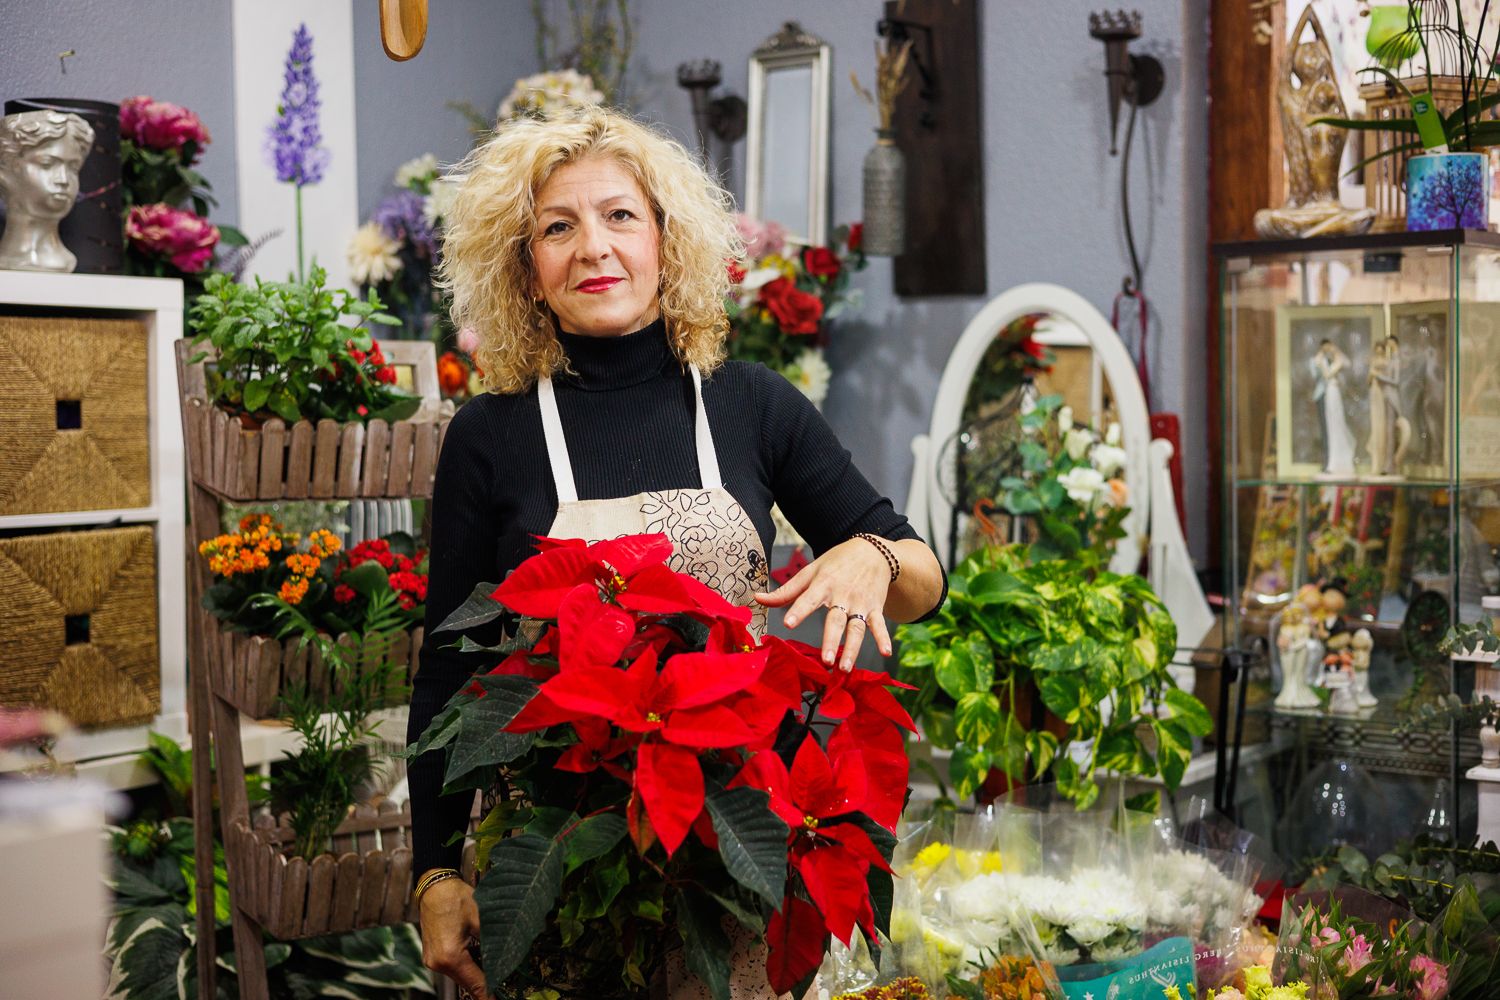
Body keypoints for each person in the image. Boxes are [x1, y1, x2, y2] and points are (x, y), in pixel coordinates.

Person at [406, 105, 946, 998]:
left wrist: (876, 558)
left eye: (620, 215)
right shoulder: (489, 435)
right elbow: (448, 671)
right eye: (556, 227)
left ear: (667, 241)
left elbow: (924, 578)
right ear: (525, 272)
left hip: (725, 860)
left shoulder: (753, 405)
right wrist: (433, 871)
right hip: (556, 867)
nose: (593, 247)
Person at [0, 109, 93, 272]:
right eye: (47, 164)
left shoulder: (66, 261)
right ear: (8, 166)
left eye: (73, 168)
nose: (63, 180)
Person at [1312, 338, 1355, 476]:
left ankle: (1336, 460)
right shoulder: (1320, 360)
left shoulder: (1337, 361)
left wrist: (1321, 364)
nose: (1328, 351)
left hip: (1333, 391)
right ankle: (1331, 460)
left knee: (1335, 422)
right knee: (1330, 425)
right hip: (1328, 393)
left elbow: (1328, 374)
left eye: (1330, 348)